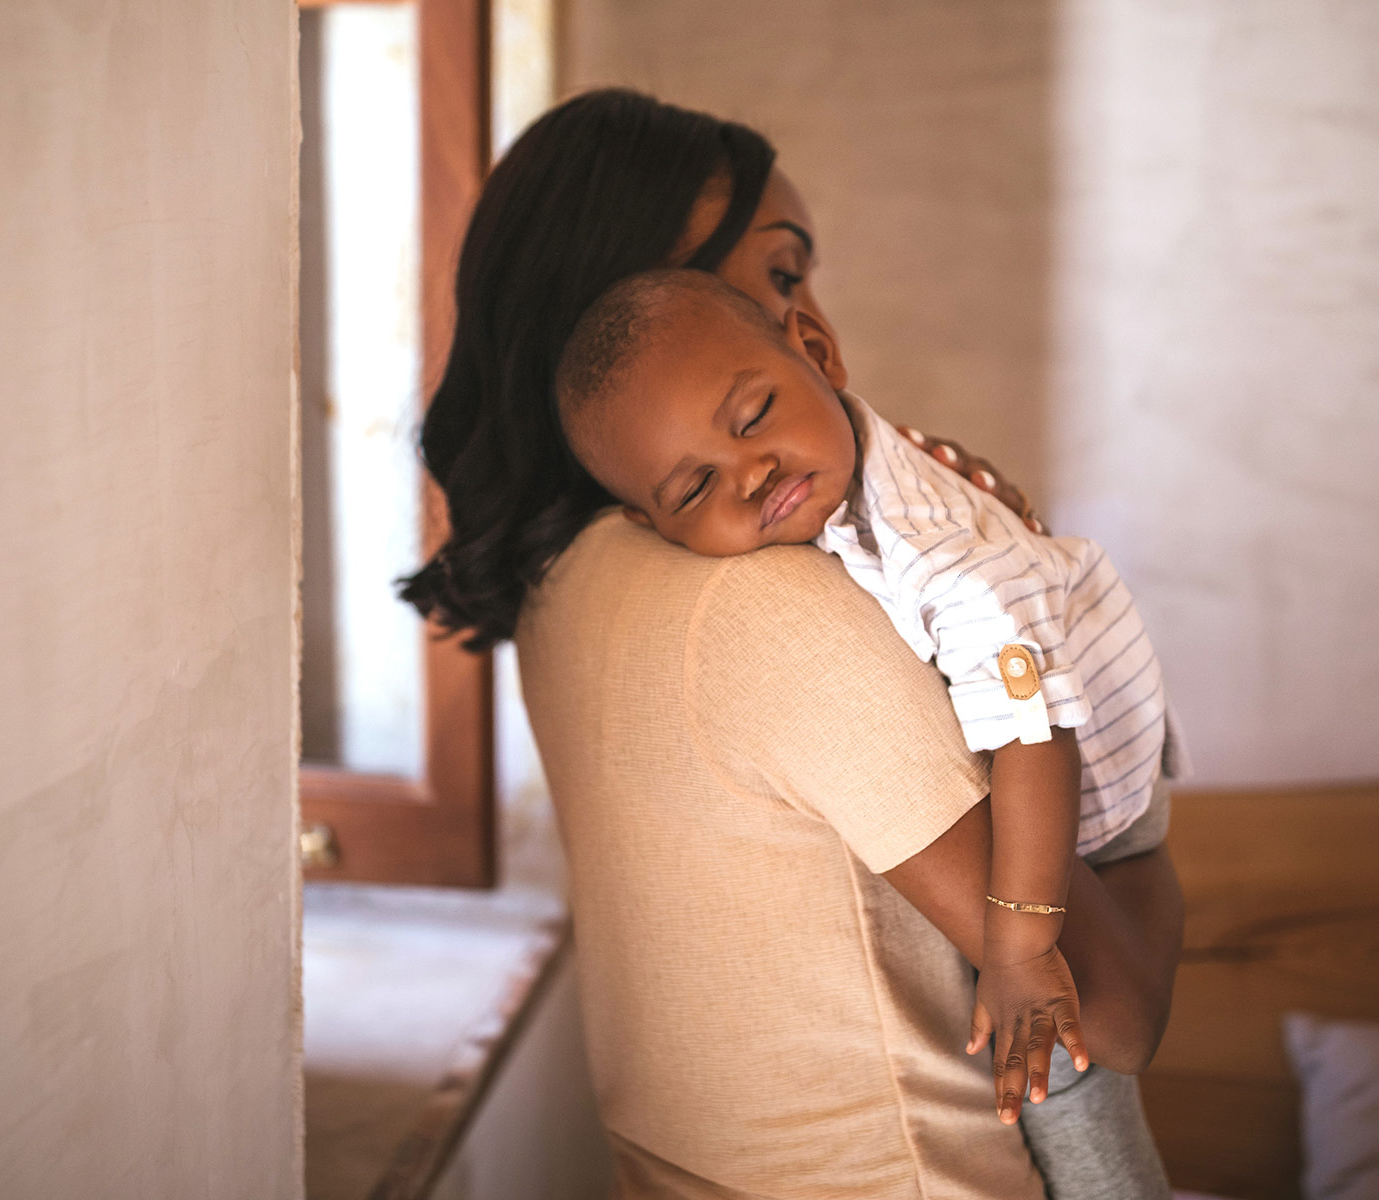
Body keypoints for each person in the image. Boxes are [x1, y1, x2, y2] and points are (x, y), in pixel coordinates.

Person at [402, 89, 1181, 1199]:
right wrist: (1142, 825)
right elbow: (1112, 1014)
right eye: (780, 273)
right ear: (642, 295)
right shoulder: (764, 604)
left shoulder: (570, 583)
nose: (813, 315)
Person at [549, 267, 1186, 1126]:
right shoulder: (833, 476)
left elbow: (1035, 736)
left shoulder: (943, 558)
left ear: (818, 349)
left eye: (752, 418)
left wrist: (1022, 946)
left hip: (1097, 792)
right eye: (695, 488)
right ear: (650, 527)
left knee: (1064, 1071)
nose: (748, 471)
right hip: (1041, 781)